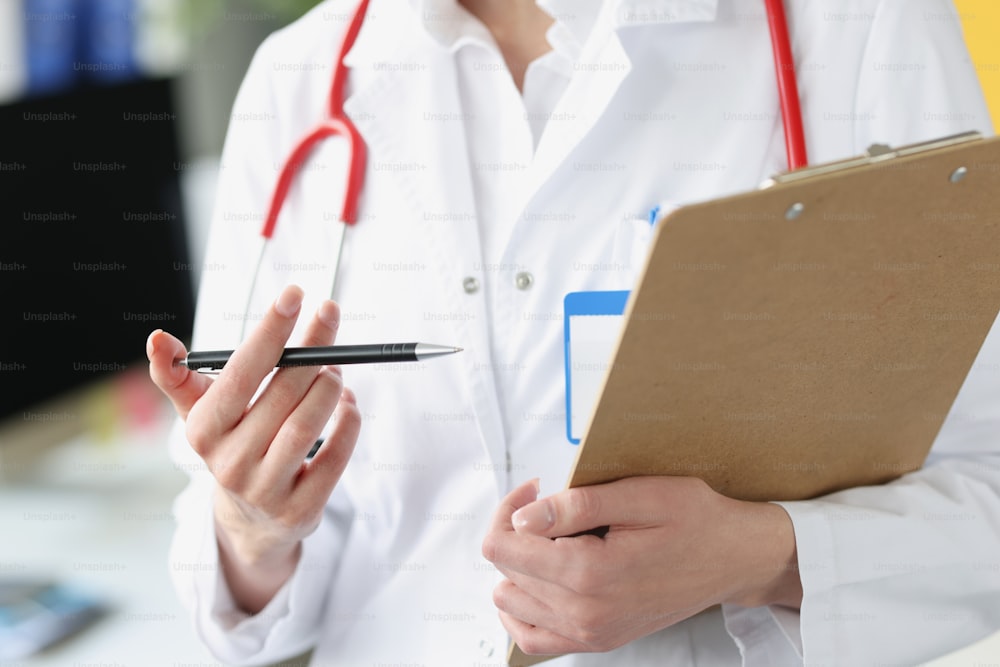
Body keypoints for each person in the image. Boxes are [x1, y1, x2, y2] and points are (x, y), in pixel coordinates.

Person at [146, 0, 1000, 664]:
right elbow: (228, 590)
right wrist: (252, 529)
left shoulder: (860, 27)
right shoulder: (294, 79)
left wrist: (762, 557)